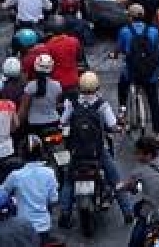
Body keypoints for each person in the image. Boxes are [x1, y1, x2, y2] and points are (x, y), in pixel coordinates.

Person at [58, 71, 135, 226]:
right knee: (115, 179)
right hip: (98, 152)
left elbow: (63, 122)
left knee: (68, 181)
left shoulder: (72, 103)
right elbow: (113, 126)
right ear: (97, 87)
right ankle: (127, 212)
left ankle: (65, 214)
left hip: (76, 153)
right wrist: (119, 129)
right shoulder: (102, 105)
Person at [120, 136, 159, 246]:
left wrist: (122, 187)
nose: (135, 156)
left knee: (134, 242)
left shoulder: (138, 171)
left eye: (138, 153)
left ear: (148, 154)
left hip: (150, 217)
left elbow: (132, 188)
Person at [116, 4, 159, 134]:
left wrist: (114, 54)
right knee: (153, 101)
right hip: (150, 73)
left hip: (131, 72)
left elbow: (119, 49)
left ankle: (122, 113)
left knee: (122, 87)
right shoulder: (153, 31)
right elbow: (158, 50)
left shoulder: (125, 31)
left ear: (130, 17)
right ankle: (158, 133)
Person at [0, 136, 56, 241]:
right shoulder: (50, 173)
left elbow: (1, 195)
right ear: (41, 152)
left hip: (22, 229)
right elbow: (53, 199)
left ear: (22, 154)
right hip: (44, 227)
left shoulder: (15, 175)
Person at [18, 54, 61, 139]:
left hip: (34, 125)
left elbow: (23, 109)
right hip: (54, 122)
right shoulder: (57, 85)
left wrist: (17, 124)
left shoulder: (30, 87)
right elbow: (56, 103)